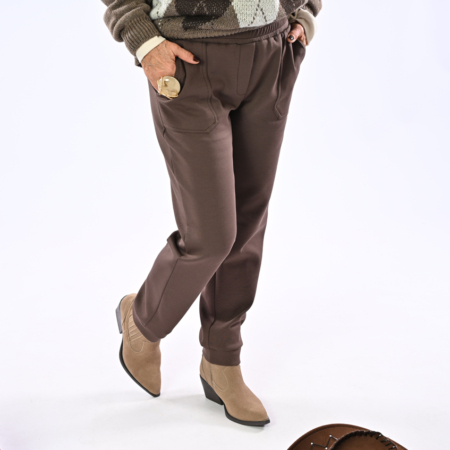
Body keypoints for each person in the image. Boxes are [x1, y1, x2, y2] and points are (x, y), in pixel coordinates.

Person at [102, 0, 322, 427]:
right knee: (211, 237)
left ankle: (222, 361)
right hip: (187, 57)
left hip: (272, 48)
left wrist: (305, 11)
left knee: (248, 226)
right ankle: (142, 319)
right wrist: (143, 39)